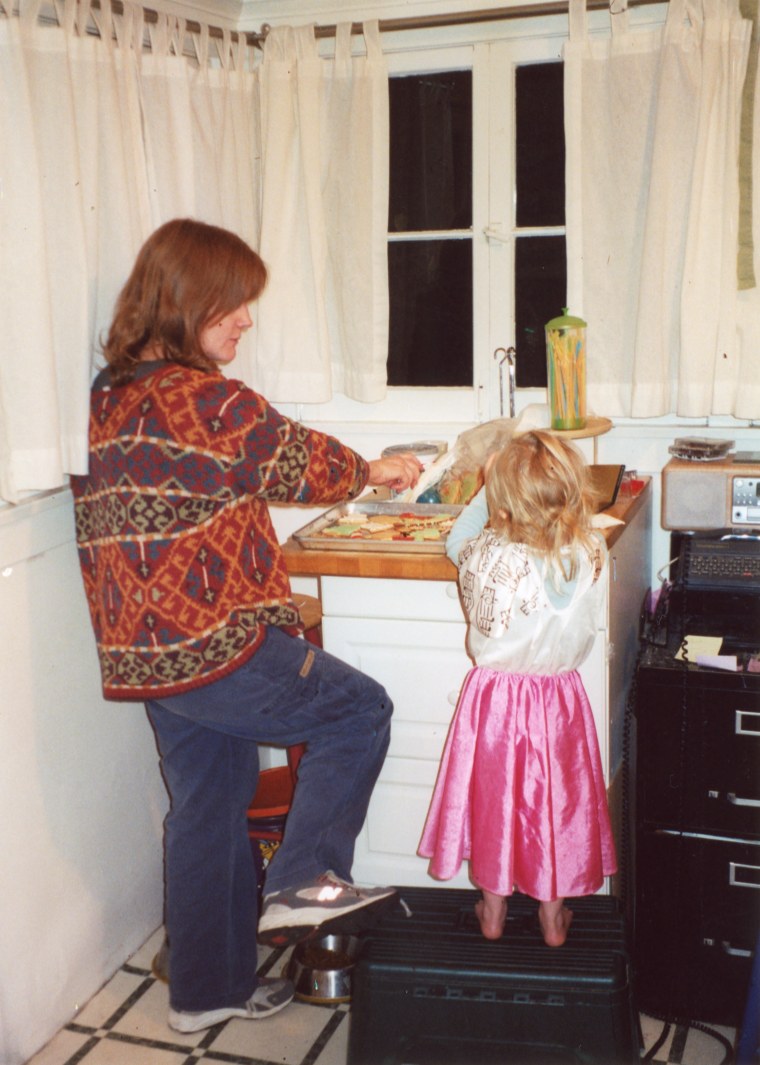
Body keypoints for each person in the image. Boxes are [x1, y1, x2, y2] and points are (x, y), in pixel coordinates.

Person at [70, 218, 422, 1034]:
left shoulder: (109, 395)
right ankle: (303, 878)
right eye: (233, 304)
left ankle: (204, 992)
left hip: (146, 654)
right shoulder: (208, 400)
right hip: (216, 646)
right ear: (188, 300)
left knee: (206, 806)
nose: (246, 321)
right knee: (359, 709)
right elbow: (301, 460)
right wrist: (381, 470)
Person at [418, 429, 617, 947]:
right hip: (559, 702)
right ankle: (553, 917)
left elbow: (456, 538)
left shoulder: (489, 555)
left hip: (496, 704)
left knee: (494, 804)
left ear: (502, 500)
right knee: (555, 805)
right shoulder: (591, 550)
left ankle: (492, 909)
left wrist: (491, 485)